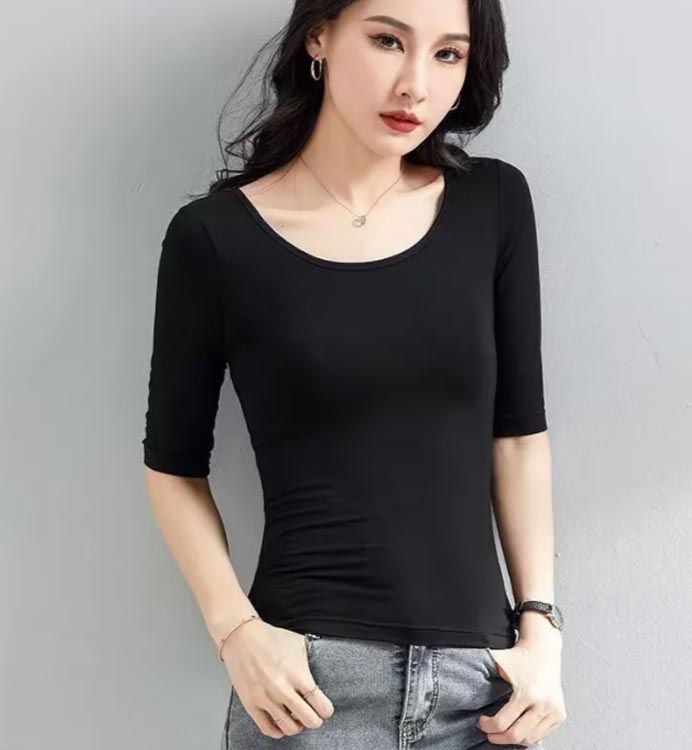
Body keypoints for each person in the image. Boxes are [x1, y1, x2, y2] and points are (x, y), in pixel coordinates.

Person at [141, 0, 567, 747]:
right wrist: (236, 632)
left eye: (448, 54)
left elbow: (518, 435)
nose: (415, 85)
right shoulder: (215, 239)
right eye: (386, 40)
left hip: (484, 692)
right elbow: (172, 466)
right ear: (319, 35)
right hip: (309, 689)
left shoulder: (494, 203)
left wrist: (543, 630)